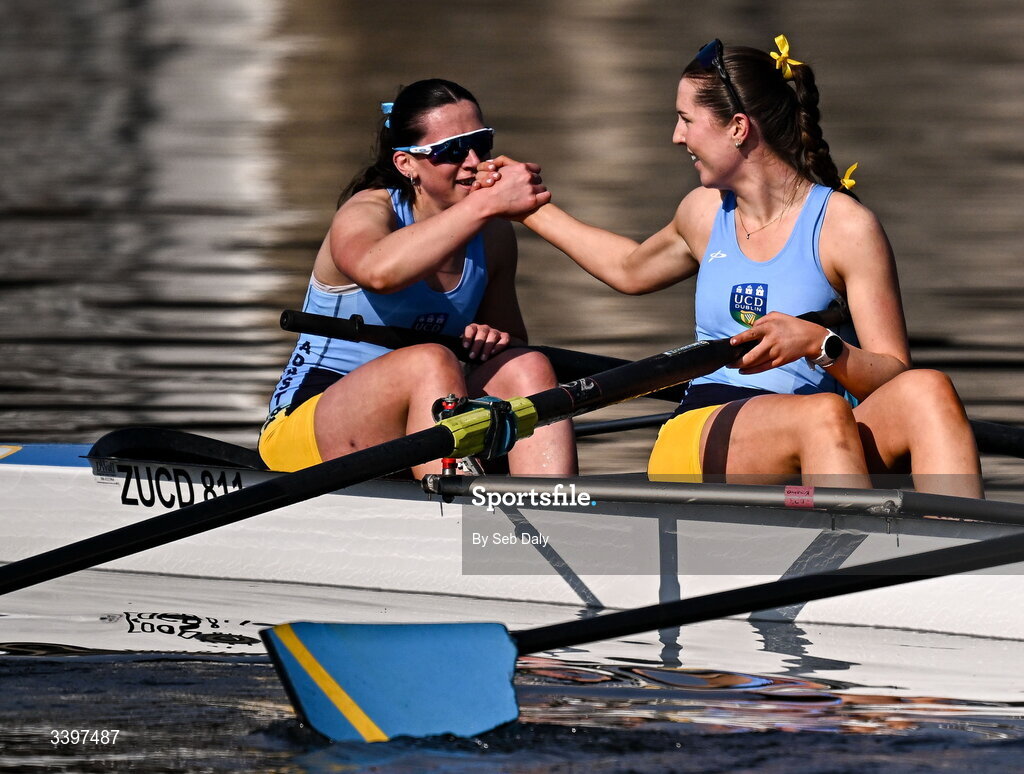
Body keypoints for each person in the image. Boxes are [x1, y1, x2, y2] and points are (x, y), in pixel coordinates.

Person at [476, 36, 982, 497]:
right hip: (704, 432)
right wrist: (529, 208)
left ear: (738, 128)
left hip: (825, 433)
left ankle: (958, 560)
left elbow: (892, 373)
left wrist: (821, 347)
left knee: (927, 390)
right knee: (821, 415)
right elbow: (629, 269)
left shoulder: (846, 227)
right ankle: (854, 570)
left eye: (686, 120)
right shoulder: (701, 212)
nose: (676, 136)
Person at [259, 78, 577, 478]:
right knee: (430, 359)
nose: (475, 160)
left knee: (527, 366)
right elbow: (380, 273)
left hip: (428, 415)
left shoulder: (493, 236)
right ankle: (455, 512)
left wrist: (493, 340)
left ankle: (555, 510)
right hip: (307, 426)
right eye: (452, 150)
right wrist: (486, 203)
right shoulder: (366, 213)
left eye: (483, 142)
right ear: (406, 163)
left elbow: (509, 341)